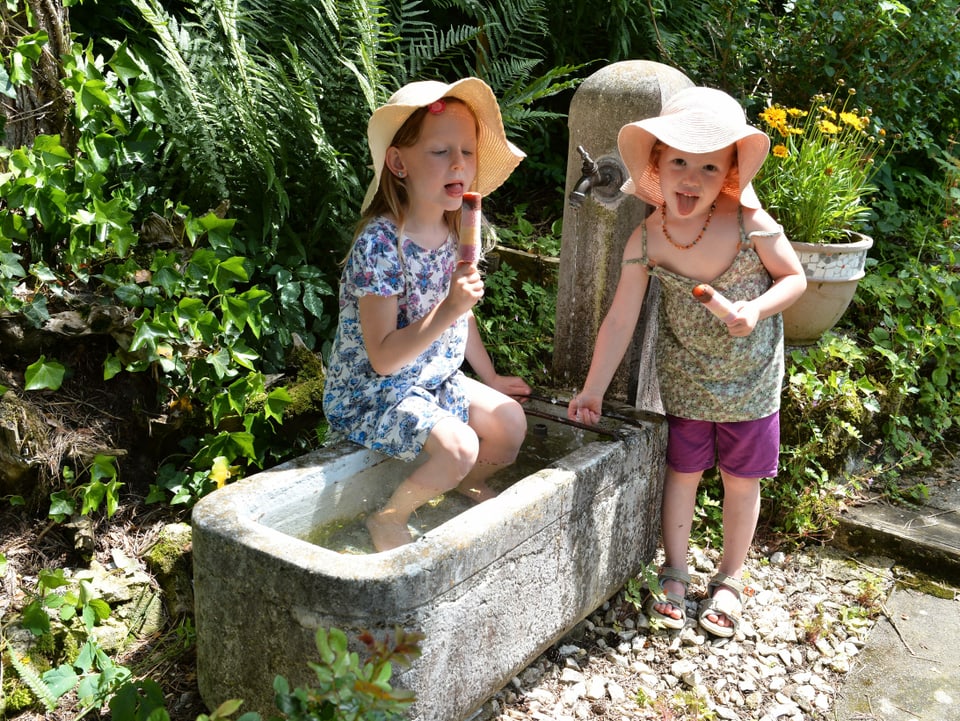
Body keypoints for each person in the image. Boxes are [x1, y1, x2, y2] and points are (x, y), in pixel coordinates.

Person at [568, 87, 806, 637]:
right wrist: (592, 389)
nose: (691, 178)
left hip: (750, 378)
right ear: (656, 163)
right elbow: (621, 317)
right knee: (683, 471)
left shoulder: (752, 223)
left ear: (728, 172)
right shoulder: (648, 235)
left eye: (707, 165)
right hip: (686, 376)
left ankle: (730, 577)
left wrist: (757, 307)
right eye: (679, 161)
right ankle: (674, 572)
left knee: (742, 480)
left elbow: (794, 277)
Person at [322, 78, 532, 553]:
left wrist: (491, 377)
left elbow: (463, 314)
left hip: (431, 379)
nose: (459, 163)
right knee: (461, 446)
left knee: (509, 423)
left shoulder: (456, 227)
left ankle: (461, 483)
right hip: (373, 393)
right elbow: (382, 359)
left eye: (467, 151)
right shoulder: (381, 244)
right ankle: (390, 515)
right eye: (440, 151)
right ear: (398, 163)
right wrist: (448, 308)